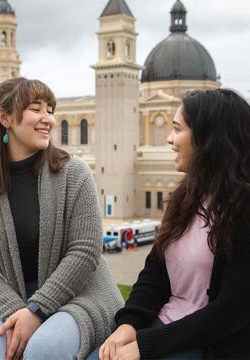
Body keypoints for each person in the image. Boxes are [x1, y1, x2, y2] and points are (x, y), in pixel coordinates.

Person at [0, 77, 123, 360]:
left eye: (50, 110)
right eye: (36, 109)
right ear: (4, 117)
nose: (48, 119)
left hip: (81, 298)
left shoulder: (74, 173)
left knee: (45, 349)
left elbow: (85, 251)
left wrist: (37, 310)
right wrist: (18, 312)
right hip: (14, 302)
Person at [87, 88, 250, 360]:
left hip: (210, 343)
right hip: (165, 328)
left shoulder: (243, 208)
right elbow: (154, 272)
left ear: (209, 139)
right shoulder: (186, 197)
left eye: (177, 129)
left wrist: (146, 344)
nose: (169, 139)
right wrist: (129, 323)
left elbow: (229, 313)